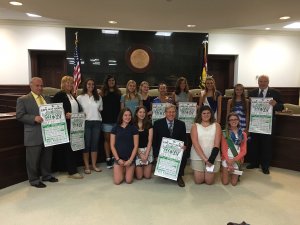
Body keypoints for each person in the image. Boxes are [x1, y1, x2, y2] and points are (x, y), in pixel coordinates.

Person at [16, 77, 58, 188]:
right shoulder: (23, 99)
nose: (40, 88)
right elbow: (19, 116)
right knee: (32, 159)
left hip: (49, 133)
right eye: (37, 85)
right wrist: (33, 118)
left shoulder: (47, 98)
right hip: (33, 134)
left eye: (41, 85)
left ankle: (47, 175)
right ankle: (34, 180)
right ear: (31, 86)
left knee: (47, 157)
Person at [247, 75, 284, 174]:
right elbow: (247, 106)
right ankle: (254, 163)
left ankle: (265, 166)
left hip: (268, 124)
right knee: (254, 143)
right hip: (255, 123)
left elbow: (282, 107)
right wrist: (249, 102)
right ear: (258, 82)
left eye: (265, 81)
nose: (262, 83)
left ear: (268, 82)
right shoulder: (252, 93)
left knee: (266, 145)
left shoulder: (276, 93)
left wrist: (275, 104)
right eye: (260, 81)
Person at [53, 75, 83, 179]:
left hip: (75, 125)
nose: (70, 84)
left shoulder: (72, 95)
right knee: (69, 148)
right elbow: (55, 110)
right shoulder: (59, 95)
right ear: (62, 84)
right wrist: (66, 114)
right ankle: (72, 171)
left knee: (73, 146)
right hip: (65, 125)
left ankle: (69, 167)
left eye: (71, 83)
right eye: (67, 82)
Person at [153, 103, 187, 187]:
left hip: (176, 151)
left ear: (176, 113)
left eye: (173, 112)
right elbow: (155, 141)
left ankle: (179, 176)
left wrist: (185, 146)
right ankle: (166, 171)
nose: (171, 114)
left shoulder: (181, 124)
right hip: (163, 151)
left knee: (185, 153)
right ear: (165, 113)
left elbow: (184, 139)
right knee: (165, 174)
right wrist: (156, 155)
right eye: (169, 112)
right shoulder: (157, 124)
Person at [190, 105, 222, 185]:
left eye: (208, 113)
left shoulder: (217, 125)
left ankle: (208, 169)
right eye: (204, 113)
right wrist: (205, 160)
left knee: (209, 182)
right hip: (197, 156)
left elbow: (217, 144)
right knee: (198, 181)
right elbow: (195, 144)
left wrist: (210, 160)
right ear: (200, 114)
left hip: (212, 157)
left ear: (211, 114)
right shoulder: (195, 126)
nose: (206, 115)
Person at [77, 78, 103, 174]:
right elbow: (78, 111)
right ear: (85, 85)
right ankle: (87, 166)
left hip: (96, 122)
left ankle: (94, 165)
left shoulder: (98, 97)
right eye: (89, 84)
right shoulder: (80, 97)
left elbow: (100, 110)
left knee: (95, 144)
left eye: (92, 84)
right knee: (86, 145)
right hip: (85, 123)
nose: (91, 86)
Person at [110, 107, 139, 184]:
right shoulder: (115, 127)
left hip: (130, 158)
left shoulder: (133, 128)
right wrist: (118, 159)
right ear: (121, 116)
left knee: (128, 181)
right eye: (125, 115)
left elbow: (136, 146)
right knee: (117, 181)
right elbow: (112, 145)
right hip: (119, 158)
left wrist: (130, 160)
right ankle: (122, 169)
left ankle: (129, 168)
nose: (128, 117)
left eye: (129, 115)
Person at [100, 75, 121, 169]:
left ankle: (114, 157)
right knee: (107, 140)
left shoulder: (119, 93)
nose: (111, 82)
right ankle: (108, 158)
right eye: (110, 80)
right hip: (106, 120)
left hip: (116, 121)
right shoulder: (102, 93)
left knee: (115, 141)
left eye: (113, 80)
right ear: (107, 82)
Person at [221, 112, 247, 186]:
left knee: (234, 183)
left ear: (238, 121)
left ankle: (232, 172)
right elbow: (223, 149)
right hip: (227, 159)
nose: (233, 121)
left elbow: (244, 151)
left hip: (237, 159)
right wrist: (228, 161)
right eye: (231, 120)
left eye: (235, 119)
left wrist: (233, 160)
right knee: (225, 183)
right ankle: (224, 171)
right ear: (228, 122)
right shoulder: (225, 133)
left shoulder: (243, 134)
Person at [133, 106, 153, 179]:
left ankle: (148, 165)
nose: (142, 114)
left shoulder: (149, 124)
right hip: (137, 150)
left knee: (147, 176)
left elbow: (150, 141)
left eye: (144, 112)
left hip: (147, 149)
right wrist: (141, 155)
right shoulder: (133, 125)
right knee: (139, 177)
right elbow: (134, 143)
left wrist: (146, 155)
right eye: (140, 112)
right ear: (136, 114)